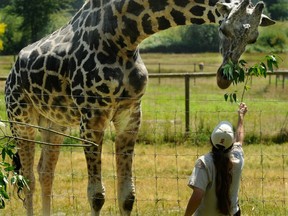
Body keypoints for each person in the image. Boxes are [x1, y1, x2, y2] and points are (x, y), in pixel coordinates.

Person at [184, 102, 248, 216]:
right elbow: (240, 138)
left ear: (211, 140)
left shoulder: (204, 163)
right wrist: (241, 117)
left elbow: (198, 195)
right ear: (231, 144)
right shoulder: (237, 158)